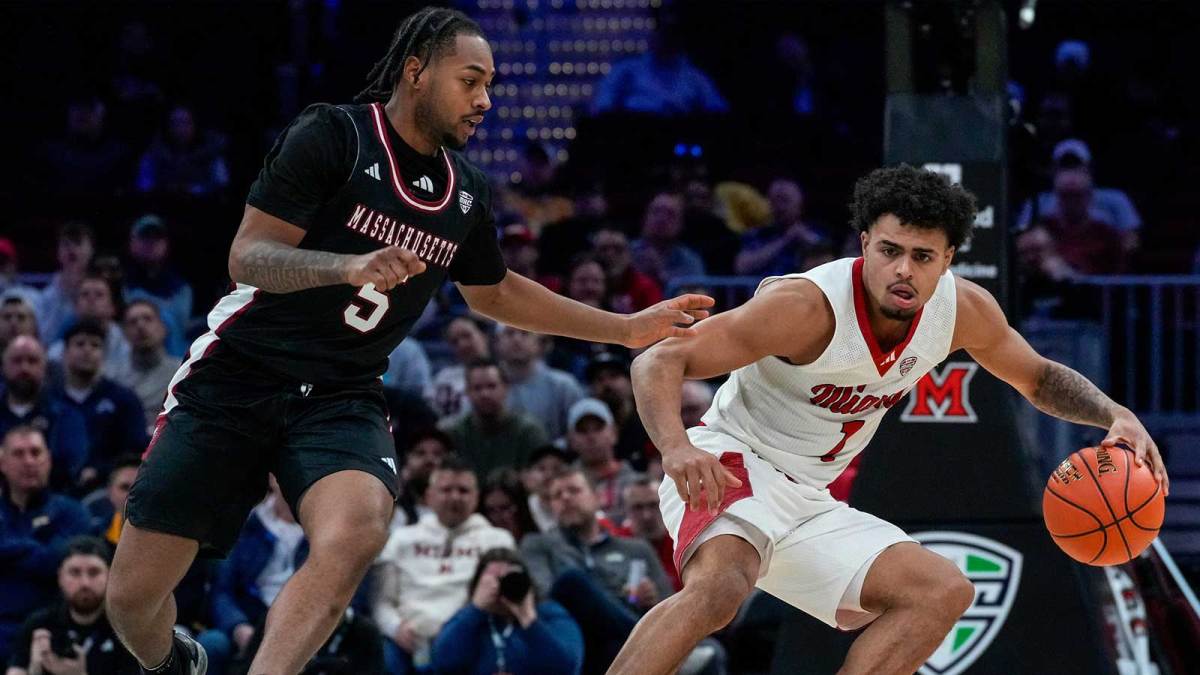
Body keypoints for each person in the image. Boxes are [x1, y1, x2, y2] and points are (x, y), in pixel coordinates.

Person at [106, 7, 711, 675]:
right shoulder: (333, 135)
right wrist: (344, 265)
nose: (484, 100)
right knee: (130, 600)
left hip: (340, 392)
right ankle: (173, 663)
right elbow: (248, 256)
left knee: (359, 528)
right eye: (471, 80)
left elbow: (495, 292)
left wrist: (625, 328)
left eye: (491, 85)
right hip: (239, 374)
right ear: (416, 72)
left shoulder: (466, 194)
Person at [606, 165, 1168, 675]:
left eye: (922, 256)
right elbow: (660, 358)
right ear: (865, 244)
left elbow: (1038, 377)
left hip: (810, 496)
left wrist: (1115, 414)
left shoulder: (961, 310)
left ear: (948, 259)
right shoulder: (807, 308)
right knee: (720, 589)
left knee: (942, 591)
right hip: (733, 461)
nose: (903, 269)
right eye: (890, 250)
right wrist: (676, 447)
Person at [372, 458, 515, 673]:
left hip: (472, 636)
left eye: (463, 490)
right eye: (446, 490)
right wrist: (395, 628)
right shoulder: (401, 539)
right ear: (429, 496)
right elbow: (381, 601)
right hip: (408, 641)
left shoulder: (498, 540)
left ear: (477, 498)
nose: (455, 497)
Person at [0, 426, 92, 664]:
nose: (29, 461)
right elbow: (46, 556)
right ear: (3, 463)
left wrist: (7, 547)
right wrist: (35, 547)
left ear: (48, 460)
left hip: (51, 629)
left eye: (36, 452)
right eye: (19, 454)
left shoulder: (73, 512)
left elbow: (55, 561)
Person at [430, 547, 584, 675]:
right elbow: (442, 663)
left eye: (510, 578)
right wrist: (475, 609)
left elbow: (567, 667)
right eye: (494, 579)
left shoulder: (550, 614)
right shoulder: (467, 621)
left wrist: (529, 620)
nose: (501, 586)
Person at [5, 536, 139, 675]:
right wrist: (34, 669)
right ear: (60, 576)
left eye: (94, 572)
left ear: (109, 575)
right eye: (75, 572)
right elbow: (15, 669)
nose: (85, 583)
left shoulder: (126, 632)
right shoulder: (40, 624)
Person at [49, 320, 148, 488]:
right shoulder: (50, 399)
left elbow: (136, 451)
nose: (87, 350)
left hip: (110, 487)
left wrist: (101, 471)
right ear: (64, 353)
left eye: (95, 345)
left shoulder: (123, 399)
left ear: (104, 354)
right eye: (80, 344)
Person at [0, 337, 90, 490]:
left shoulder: (66, 416)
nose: (24, 368)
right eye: (17, 361)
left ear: (44, 368)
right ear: (3, 367)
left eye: (32, 361)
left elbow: (71, 467)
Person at [439, 360, 548, 479]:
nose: (485, 394)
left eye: (491, 386)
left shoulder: (528, 432)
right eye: (477, 388)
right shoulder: (451, 433)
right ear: (467, 392)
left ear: (506, 388)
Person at [495, 325, 584, 440]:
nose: (516, 339)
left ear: (538, 343)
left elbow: (579, 430)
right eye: (509, 333)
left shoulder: (563, 385)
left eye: (525, 333)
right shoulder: (486, 386)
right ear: (496, 342)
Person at [111, 301, 182, 431]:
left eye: (147, 319)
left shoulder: (182, 373)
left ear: (163, 328)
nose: (140, 325)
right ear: (125, 334)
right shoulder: (114, 378)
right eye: (133, 322)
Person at [567, 399, 638, 523]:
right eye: (583, 431)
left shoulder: (636, 483)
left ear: (614, 433)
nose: (591, 437)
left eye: (598, 428)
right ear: (571, 440)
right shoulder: (564, 489)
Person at [426, 315, 491, 419]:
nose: (462, 344)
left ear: (484, 335)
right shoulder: (444, 378)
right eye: (454, 341)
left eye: (467, 336)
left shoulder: (507, 370)